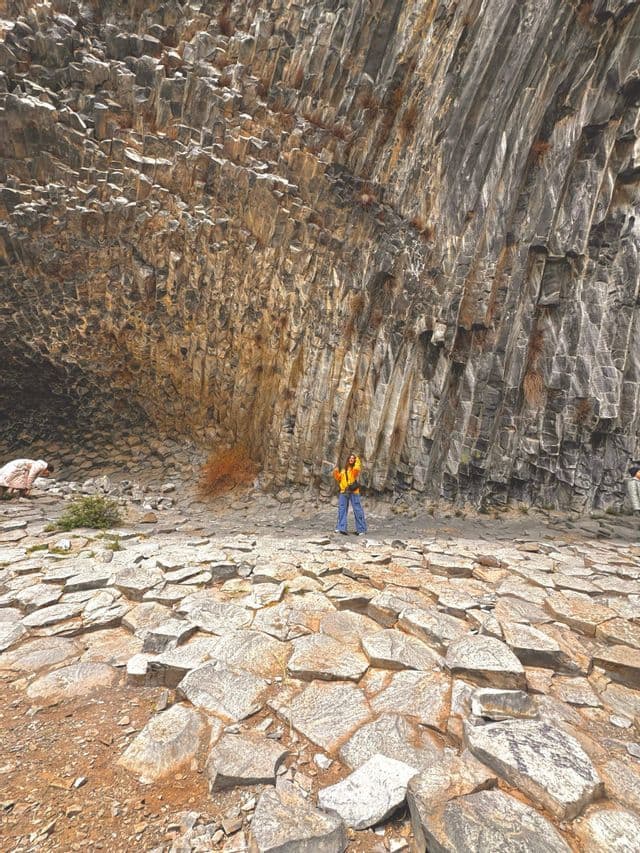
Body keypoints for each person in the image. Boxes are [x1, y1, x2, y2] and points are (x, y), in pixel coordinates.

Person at [333, 452, 367, 535]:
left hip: (353, 492)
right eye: (350, 458)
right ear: (348, 460)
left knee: (357, 509)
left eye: (353, 458)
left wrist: (357, 459)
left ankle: (361, 529)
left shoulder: (354, 470)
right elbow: (339, 479)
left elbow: (357, 468)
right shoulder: (344, 470)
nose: (351, 459)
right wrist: (336, 472)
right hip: (344, 491)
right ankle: (341, 527)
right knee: (342, 509)